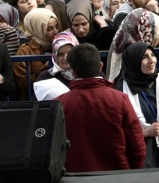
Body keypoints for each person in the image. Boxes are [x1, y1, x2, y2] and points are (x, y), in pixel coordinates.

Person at [58, 44, 146, 173]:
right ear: (100, 66)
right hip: (117, 176)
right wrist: (132, 173)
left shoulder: (60, 103)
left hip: (74, 178)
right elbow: (137, 146)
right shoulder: (120, 99)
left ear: (73, 72)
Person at [116, 41, 159, 168]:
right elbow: (118, 130)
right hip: (137, 150)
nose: (151, 60)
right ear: (133, 61)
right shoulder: (121, 89)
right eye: (144, 57)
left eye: (152, 55)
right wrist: (145, 132)